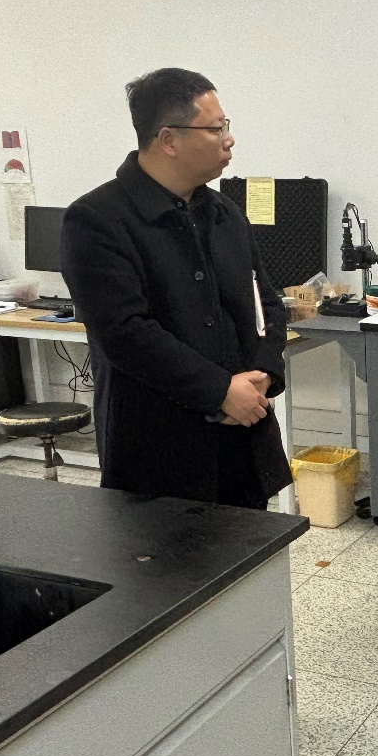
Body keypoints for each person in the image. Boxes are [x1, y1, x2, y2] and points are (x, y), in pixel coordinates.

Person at [60, 68, 291, 508]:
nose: (229, 139)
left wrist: (263, 372)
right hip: (158, 450)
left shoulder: (224, 213)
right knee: (164, 552)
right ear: (168, 139)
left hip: (243, 440)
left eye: (226, 126)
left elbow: (266, 304)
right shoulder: (96, 220)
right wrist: (220, 391)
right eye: (215, 128)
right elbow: (125, 334)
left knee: (250, 550)